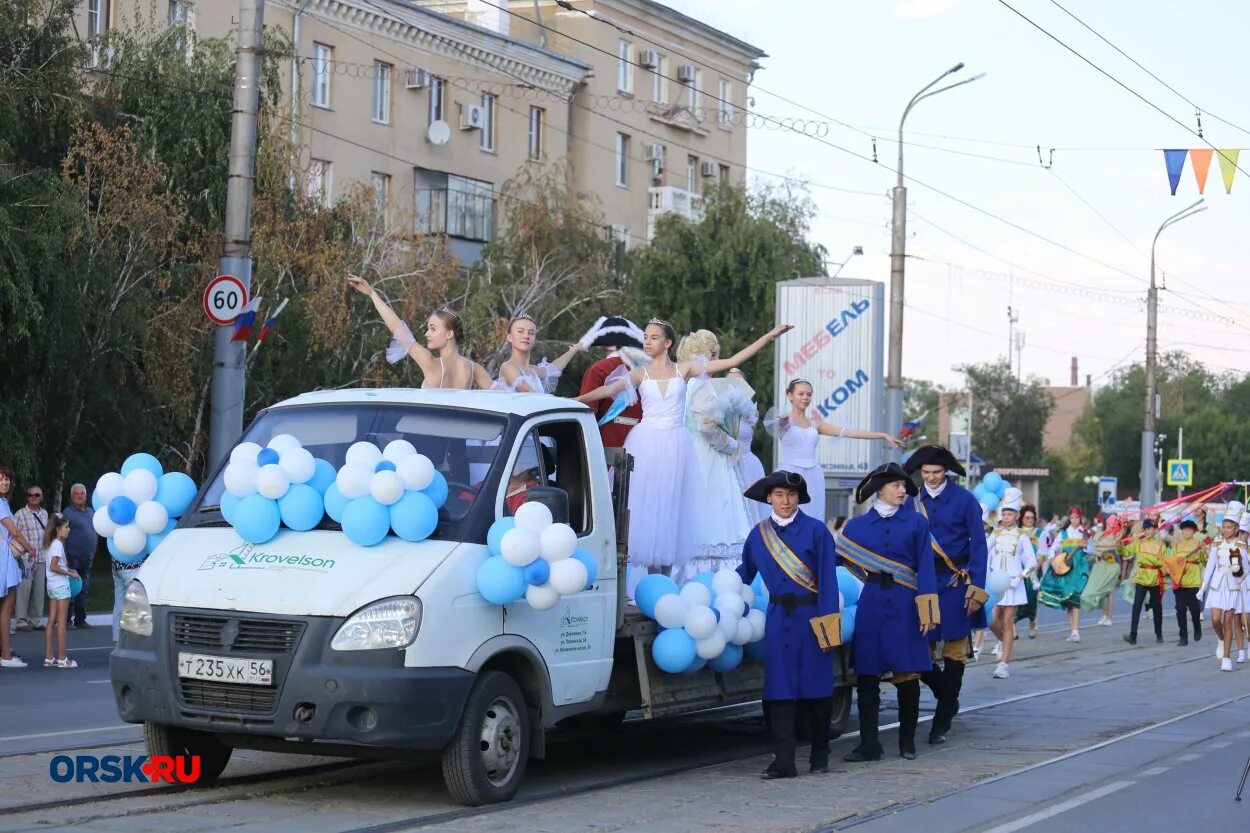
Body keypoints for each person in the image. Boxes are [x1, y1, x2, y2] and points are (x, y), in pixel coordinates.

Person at [577, 319, 792, 577]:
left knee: (671, 506)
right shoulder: (639, 373)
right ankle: (644, 578)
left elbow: (731, 360)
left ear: (667, 343)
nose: (646, 341)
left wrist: (768, 335)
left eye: (653, 337)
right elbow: (605, 390)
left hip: (676, 444)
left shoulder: (685, 369)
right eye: (645, 336)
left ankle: (665, 578)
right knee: (647, 506)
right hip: (646, 441)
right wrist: (572, 400)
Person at [735, 470, 841, 779]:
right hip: (778, 619)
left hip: (812, 619)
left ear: (799, 498)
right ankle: (784, 761)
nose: (785, 501)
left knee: (817, 690)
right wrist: (723, 587)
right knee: (779, 692)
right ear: (769, 498)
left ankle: (820, 753)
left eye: (791, 495)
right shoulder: (758, 534)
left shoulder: (817, 531)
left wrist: (828, 624)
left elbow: (828, 581)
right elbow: (746, 572)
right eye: (779, 495)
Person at [838, 462, 939, 762]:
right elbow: (839, 561)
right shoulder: (856, 527)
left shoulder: (917, 523)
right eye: (896, 485)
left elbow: (927, 567)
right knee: (867, 677)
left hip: (906, 604)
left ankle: (907, 742)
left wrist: (927, 611)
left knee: (907, 674)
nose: (902, 489)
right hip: (871, 603)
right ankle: (870, 745)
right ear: (879, 488)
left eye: (904, 485)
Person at [903, 445, 988, 746]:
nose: (931, 478)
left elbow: (979, 545)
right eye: (926, 473)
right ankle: (947, 697)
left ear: (947, 472)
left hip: (955, 579)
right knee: (918, 650)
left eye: (937, 472)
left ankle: (941, 721)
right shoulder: (910, 500)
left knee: (954, 649)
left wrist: (977, 589)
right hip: (921, 581)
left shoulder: (965, 500)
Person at [675, 330, 758, 579]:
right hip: (708, 455)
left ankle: (691, 573)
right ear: (710, 355)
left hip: (691, 451)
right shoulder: (701, 385)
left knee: (697, 509)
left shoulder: (685, 385)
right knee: (718, 508)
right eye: (715, 354)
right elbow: (707, 426)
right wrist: (729, 444)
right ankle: (714, 575)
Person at [767, 380, 902, 524]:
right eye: (801, 393)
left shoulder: (816, 424)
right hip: (790, 473)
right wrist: (781, 421)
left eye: (809, 394)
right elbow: (777, 427)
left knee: (812, 515)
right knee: (787, 512)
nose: (805, 397)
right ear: (790, 395)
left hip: (813, 474)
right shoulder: (783, 421)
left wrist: (881, 435)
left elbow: (849, 432)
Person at [347, 275, 494, 390]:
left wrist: (372, 294)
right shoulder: (474, 368)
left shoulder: (430, 363)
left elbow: (398, 328)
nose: (426, 334)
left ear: (449, 334)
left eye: (433, 329)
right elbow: (501, 395)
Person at [986, 489, 1036, 679]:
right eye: (1004, 514)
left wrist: (1020, 577)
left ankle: (1004, 664)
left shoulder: (1022, 536)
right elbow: (983, 551)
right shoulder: (995, 534)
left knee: (1007, 622)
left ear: (1017, 515)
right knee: (991, 620)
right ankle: (1005, 642)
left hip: (1013, 584)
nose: (1007, 517)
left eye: (1010, 514)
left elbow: (1031, 563)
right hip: (994, 582)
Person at [578, 316, 647, 449]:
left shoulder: (598, 370)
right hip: (642, 445)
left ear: (605, 344)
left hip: (606, 443)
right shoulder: (645, 371)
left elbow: (586, 412)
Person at [1200, 503, 1247, 672]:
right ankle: (1220, 639)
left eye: (1229, 527)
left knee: (1228, 621)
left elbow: (1246, 570)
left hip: (1233, 588)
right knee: (1214, 619)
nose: (1225, 530)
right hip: (1217, 586)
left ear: (1236, 529)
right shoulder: (1217, 543)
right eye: (1224, 527)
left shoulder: (1241, 547)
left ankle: (1226, 658)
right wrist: (1202, 588)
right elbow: (1210, 566)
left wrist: (1238, 570)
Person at [492, 314, 586, 393]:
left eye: (531, 333)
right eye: (520, 331)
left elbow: (553, 368)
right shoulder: (508, 367)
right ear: (509, 337)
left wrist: (574, 350)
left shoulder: (534, 370)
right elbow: (529, 393)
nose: (526, 336)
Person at [2, 465, 38, 668]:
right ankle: (6, 656)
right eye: (1, 479)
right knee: (7, 607)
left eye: (7, 479)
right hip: (4, 558)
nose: (5, 482)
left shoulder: (3, 502)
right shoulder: (1, 504)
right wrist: (29, 548)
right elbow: (14, 532)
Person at [1038, 508, 1091, 643]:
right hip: (1066, 568)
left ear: (1081, 518)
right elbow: (1053, 548)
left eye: (1077, 518)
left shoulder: (1085, 533)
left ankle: (1076, 631)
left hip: (1079, 567)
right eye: (1072, 518)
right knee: (1069, 600)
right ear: (1069, 519)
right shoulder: (1063, 533)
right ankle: (1072, 631)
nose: (1074, 520)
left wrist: (1086, 546)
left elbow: (1091, 550)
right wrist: (1052, 561)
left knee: (1076, 597)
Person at [726, 369, 769, 523]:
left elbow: (749, 413)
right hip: (727, 465)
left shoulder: (751, 410)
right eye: (730, 381)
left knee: (753, 511)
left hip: (748, 464)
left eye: (739, 382)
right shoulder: (718, 407)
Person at [1121, 518, 1166, 646]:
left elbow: (1164, 559)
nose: (1148, 531)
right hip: (1141, 577)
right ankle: (1133, 635)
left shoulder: (1160, 544)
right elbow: (1125, 551)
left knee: (1157, 607)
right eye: (1146, 529)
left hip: (1155, 577)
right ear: (1143, 530)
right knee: (1137, 606)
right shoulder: (1138, 543)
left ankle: (1159, 633)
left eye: (1151, 529)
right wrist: (1120, 543)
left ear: (1156, 530)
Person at [42, 514, 78, 668]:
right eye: (66, 527)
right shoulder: (57, 544)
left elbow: (58, 565)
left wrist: (69, 569)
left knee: (51, 621)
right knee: (62, 622)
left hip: (52, 586)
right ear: (58, 529)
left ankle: (49, 657)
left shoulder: (49, 544)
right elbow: (54, 566)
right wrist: (70, 574)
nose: (69, 530)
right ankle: (63, 659)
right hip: (61, 586)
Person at [12, 483, 48, 631]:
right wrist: (22, 553)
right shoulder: (20, 514)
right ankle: (21, 622)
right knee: (23, 591)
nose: (33, 497)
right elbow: (13, 535)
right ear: (27, 497)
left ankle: (36, 620)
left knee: (39, 592)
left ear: (41, 497)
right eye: (30, 495)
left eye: (36, 495)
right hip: (25, 559)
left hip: (41, 558)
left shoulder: (45, 514)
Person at [1163, 519, 1204, 646]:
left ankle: (1197, 628)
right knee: (1180, 609)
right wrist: (1169, 569)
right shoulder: (1176, 546)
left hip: (1193, 579)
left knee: (1194, 608)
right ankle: (1183, 637)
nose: (1186, 532)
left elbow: (1204, 560)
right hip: (1179, 580)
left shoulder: (1199, 544)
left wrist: (1204, 551)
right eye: (1184, 529)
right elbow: (1171, 562)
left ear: (1194, 531)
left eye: (1189, 529)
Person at [64, 484, 97, 630]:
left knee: (84, 590)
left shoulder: (91, 512)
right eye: (76, 494)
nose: (79, 496)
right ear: (72, 496)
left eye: (82, 493)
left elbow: (95, 532)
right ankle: (66, 621)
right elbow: (62, 536)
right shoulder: (67, 513)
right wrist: (64, 556)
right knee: (71, 589)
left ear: (85, 495)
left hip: (87, 557)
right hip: (72, 557)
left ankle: (80, 620)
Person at [1081, 520, 1124, 628]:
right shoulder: (1099, 534)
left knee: (1109, 590)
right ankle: (1104, 614)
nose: (1112, 525)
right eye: (1110, 523)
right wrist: (1096, 553)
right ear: (1106, 523)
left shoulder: (1116, 535)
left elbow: (1120, 550)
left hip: (1112, 565)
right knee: (1096, 590)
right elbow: (1092, 548)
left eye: (1114, 524)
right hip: (1100, 565)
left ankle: (1108, 617)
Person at [1014, 504, 1046, 639]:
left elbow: (1042, 554)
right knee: (1016, 600)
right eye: (1027, 518)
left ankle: (1032, 622)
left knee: (1032, 599)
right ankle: (1014, 627)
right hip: (1018, 570)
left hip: (1033, 571)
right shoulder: (1016, 532)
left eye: (1032, 518)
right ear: (1021, 518)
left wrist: (1034, 569)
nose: (1029, 520)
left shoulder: (1040, 533)